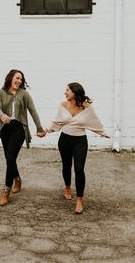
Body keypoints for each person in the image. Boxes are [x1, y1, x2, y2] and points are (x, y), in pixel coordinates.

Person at [46, 82, 110, 214]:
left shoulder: (86, 107)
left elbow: (95, 122)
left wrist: (104, 133)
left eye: (68, 90)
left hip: (80, 141)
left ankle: (79, 199)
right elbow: (57, 122)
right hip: (64, 140)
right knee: (66, 165)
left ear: (75, 92)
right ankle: (68, 187)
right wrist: (46, 130)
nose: (65, 92)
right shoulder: (63, 105)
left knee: (79, 169)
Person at [0, 69, 45, 206]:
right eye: (17, 78)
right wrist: (1, 115)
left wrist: (39, 127)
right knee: (9, 159)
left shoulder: (24, 94)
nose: (19, 81)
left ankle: (6, 190)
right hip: (5, 128)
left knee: (10, 158)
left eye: (21, 79)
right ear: (10, 78)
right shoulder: (1, 93)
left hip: (19, 129)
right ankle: (17, 178)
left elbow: (33, 110)